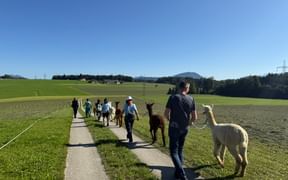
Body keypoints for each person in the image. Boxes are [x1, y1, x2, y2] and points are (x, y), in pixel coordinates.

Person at [164, 81, 197, 180]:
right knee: (180, 150)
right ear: (186, 88)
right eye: (189, 88)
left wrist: (171, 120)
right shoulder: (191, 98)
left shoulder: (173, 97)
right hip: (185, 129)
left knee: (173, 152)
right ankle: (178, 173)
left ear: (179, 88)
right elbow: (195, 117)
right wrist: (189, 123)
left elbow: (166, 114)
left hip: (174, 128)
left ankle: (182, 175)